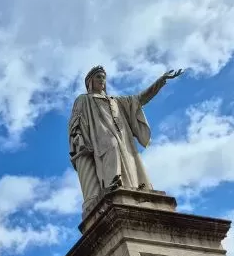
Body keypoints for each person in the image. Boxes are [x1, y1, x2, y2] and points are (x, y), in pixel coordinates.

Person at [69, 66, 183, 215]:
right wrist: (78, 138)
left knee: (130, 159)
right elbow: (75, 122)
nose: (102, 80)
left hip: (123, 138)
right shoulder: (84, 99)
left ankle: (133, 188)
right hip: (101, 138)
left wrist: (161, 81)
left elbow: (140, 99)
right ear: (90, 81)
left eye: (104, 77)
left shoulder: (115, 101)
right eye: (98, 77)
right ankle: (112, 185)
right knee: (112, 146)